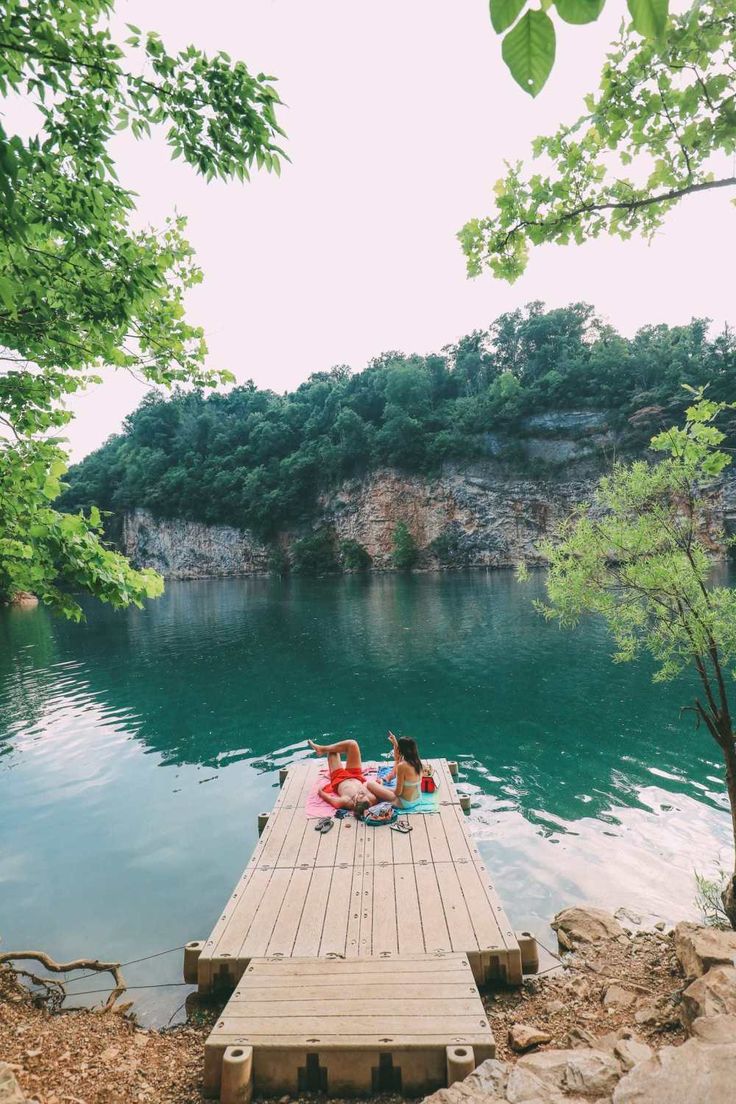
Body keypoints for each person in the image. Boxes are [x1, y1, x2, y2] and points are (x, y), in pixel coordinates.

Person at [308, 738, 378, 819]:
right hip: (356, 775)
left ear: (355, 803)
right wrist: (380, 783)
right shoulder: (372, 800)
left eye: (360, 796)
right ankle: (322, 749)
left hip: (339, 778)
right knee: (352, 744)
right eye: (364, 795)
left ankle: (322, 749)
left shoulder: (345, 801)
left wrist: (320, 791)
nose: (362, 793)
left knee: (333, 751)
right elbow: (379, 789)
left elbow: (328, 798)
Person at [366, 731, 424, 811]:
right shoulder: (417, 762)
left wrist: (382, 786)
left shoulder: (402, 766)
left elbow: (398, 793)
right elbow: (399, 755)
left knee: (370, 784)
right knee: (380, 787)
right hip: (417, 799)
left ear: (401, 750)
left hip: (404, 803)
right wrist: (395, 742)